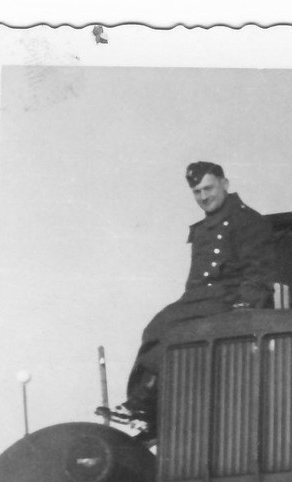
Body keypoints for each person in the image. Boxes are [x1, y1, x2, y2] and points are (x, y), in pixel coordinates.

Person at [116, 162, 277, 430]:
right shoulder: (203, 228)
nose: (203, 197)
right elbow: (195, 281)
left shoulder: (247, 221)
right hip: (201, 299)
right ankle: (144, 404)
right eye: (196, 191)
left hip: (227, 299)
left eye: (208, 188)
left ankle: (144, 405)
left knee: (173, 333)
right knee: (156, 327)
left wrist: (244, 309)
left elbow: (258, 272)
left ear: (225, 184)